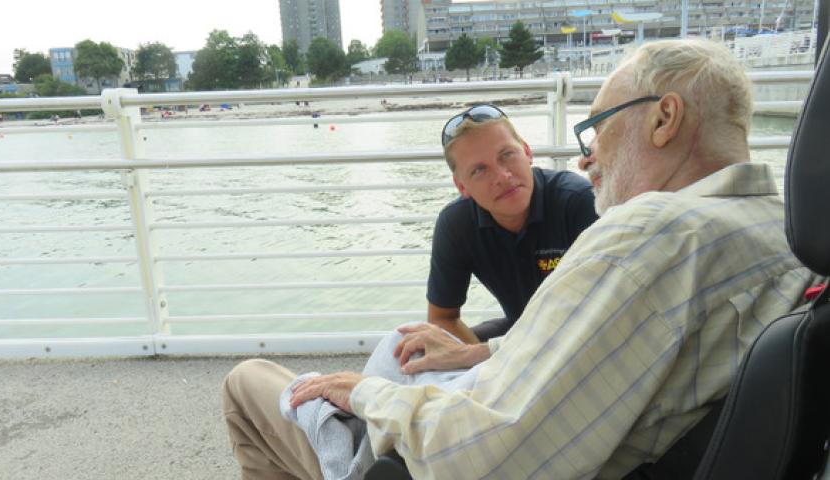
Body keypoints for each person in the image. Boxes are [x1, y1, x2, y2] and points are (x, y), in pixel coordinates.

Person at [222, 38, 822, 479]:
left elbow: (484, 454)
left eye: (599, 127)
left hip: (459, 457)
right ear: (462, 185)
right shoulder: (787, 237)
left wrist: (366, 395)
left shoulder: (651, 233)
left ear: (664, 118)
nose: (586, 158)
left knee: (247, 384)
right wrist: (478, 356)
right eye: (479, 170)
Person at [428, 104, 598, 344]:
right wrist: (484, 360)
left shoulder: (580, 203)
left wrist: (490, 357)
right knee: (411, 345)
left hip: (584, 334)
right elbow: (442, 319)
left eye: (507, 155)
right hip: (521, 328)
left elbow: (612, 312)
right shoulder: (456, 224)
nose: (502, 177)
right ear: (462, 186)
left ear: (527, 152)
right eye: (479, 170)